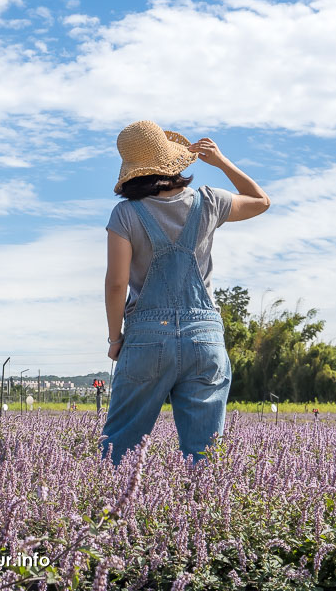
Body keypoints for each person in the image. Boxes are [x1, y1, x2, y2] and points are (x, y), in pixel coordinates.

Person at [100, 121, 271, 465]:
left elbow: (116, 283)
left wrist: (114, 337)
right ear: (174, 162)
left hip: (146, 337)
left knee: (119, 447)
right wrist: (222, 162)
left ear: (133, 172)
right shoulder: (209, 201)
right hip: (204, 338)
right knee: (204, 454)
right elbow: (260, 201)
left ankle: (109, 512)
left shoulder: (125, 214)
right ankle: (200, 514)